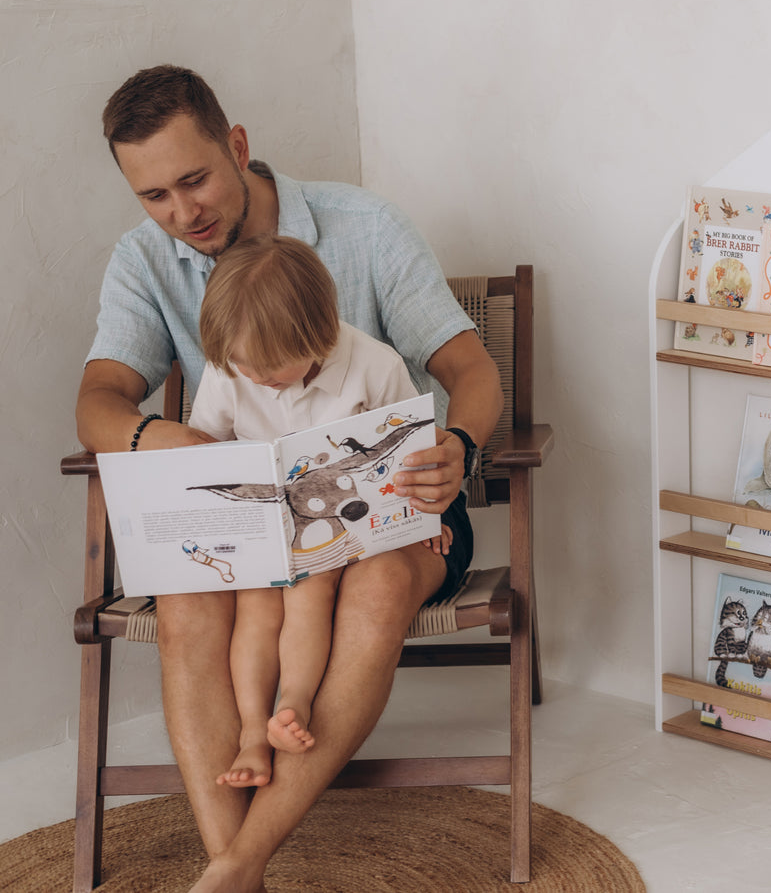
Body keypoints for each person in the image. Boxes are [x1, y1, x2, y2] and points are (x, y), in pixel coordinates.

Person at [75, 65, 503, 893]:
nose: (182, 214)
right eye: (154, 196)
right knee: (190, 592)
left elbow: (471, 369)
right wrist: (164, 439)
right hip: (259, 539)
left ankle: (236, 865)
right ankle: (239, 875)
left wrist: (458, 444)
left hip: (394, 527)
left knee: (375, 586)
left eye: (195, 180)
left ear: (237, 147)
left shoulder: (364, 228)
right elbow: (95, 402)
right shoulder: (147, 259)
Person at [189, 234, 449, 791]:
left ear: (319, 333)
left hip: (339, 536)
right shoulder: (228, 373)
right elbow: (202, 454)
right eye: (242, 363)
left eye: (271, 365)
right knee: (256, 606)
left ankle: (294, 705)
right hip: (260, 533)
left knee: (310, 589)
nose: (256, 377)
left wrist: (425, 518)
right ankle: (253, 736)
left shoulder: (375, 366)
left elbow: (411, 459)